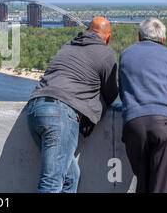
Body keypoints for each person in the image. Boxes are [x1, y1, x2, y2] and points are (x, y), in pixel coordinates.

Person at [26, 17, 118, 193]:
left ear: (89, 31)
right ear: (108, 37)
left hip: (34, 109)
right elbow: (111, 93)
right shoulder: (106, 54)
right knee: (51, 182)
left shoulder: (69, 45)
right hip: (59, 114)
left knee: (70, 177)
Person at [119, 18, 167, 193]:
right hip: (164, 124)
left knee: (143, 183)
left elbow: (122, 93)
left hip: (133, 125)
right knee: (162, 186)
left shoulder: (126, 54)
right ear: (163, 39)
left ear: (139, 37)